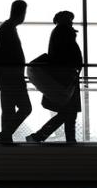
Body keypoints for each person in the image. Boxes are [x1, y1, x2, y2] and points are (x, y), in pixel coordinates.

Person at [27, 11, 83, 144]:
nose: (71, 22)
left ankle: (43, 137)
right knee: (69, 112)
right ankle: (40, 137)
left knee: (68, 113)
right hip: (66, 78)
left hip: (65, 77)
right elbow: (67, 55)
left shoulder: (59, 32)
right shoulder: (64, 32)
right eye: (70, 19)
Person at [0, 0, 32, 144]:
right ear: (21, 12)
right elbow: (5, 54)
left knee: (8, 109)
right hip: (12, 75)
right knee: (25, 107)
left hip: (5, 75)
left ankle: (5, 137)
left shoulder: (6, 27)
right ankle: (4, 135)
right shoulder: (8, 29)